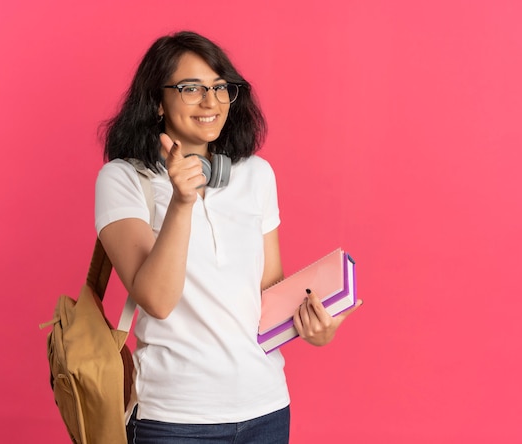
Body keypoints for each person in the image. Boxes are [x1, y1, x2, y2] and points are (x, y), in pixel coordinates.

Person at [95, 30, 361, 444]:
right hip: (172, 418)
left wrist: (316, 327)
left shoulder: (256, 174)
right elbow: (157, 300)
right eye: (191, 88)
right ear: (156, 101)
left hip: (266, 408)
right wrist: (182, 203)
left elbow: (268, 287)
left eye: (221, 88)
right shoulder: (125, 179)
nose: (212, 102)